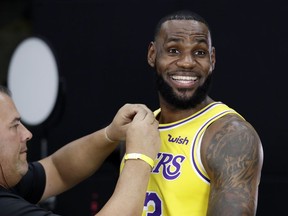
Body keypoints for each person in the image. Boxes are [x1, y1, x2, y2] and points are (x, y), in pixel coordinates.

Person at [121, 10, 264, 216]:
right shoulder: (140, 128)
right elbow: (60, 170)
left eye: (199, 52)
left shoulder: (231, 136)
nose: (187, 62)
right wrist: (108, 133)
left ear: (212, 59)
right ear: (152, 54)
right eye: (173, 50)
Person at [0, 84, 161, 216]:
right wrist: (140, 158)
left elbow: (57, 170)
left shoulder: (7, 180)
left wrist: (110, 135)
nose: (27, 134)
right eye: (14, 126)